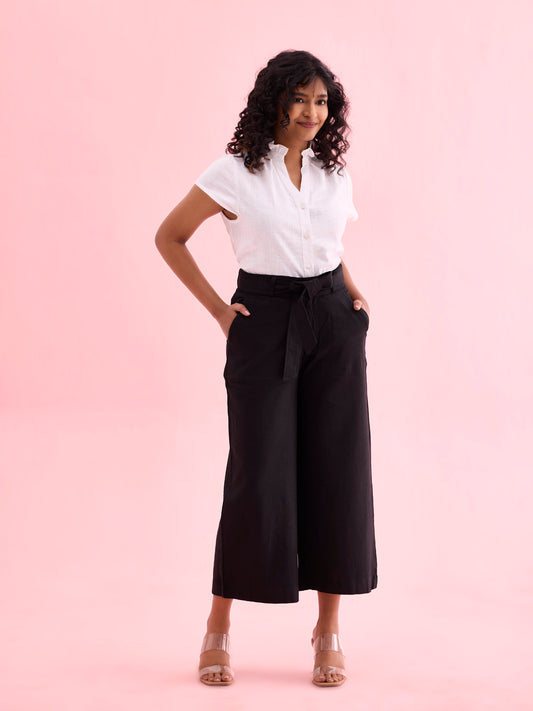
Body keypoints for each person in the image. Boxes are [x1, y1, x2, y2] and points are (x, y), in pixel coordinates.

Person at [155, 49, 378, 688]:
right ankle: (219, 624)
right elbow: (170, 236)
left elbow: (330, 248)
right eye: (300, 98)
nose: (311, 112)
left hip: (333, 320)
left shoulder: (333, 174)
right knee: (257, 471)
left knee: (338, 471)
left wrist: (355, 298)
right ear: (274, 100)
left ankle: (328, 630)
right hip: (264, 321)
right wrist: (221, 313)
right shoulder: (234, 172)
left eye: (321, 101)